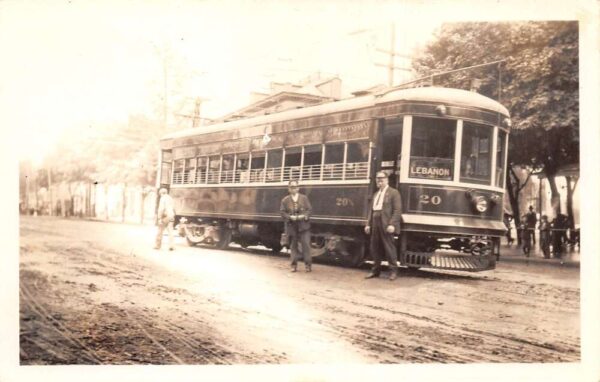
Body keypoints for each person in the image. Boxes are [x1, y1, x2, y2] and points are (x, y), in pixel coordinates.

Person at [364, 171, 402, 281]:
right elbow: (371, 211)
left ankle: (393, 272)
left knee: (389, 248)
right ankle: (375, 271)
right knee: (374, 247)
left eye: (382, 179)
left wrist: (392, 224)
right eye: (377, 179)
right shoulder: (376, 194)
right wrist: (368, 224)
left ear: (387, 180)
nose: (379, 181)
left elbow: (397, 210)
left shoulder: (394, 193)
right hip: (375, 222)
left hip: (386, 223)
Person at [280, 180, 313, 272]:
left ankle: (308, 265)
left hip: (304, 226)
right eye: (291, 187)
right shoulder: (285, 200)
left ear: (298, 188)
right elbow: (282, 212)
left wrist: (304, 216)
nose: (293, 189)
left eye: (295, 187)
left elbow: (309, 210)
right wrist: (290, 217)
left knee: (306, 245)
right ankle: (293, 265)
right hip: (291, 226)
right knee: (293, 246)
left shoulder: (304, 198)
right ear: (289, 189)